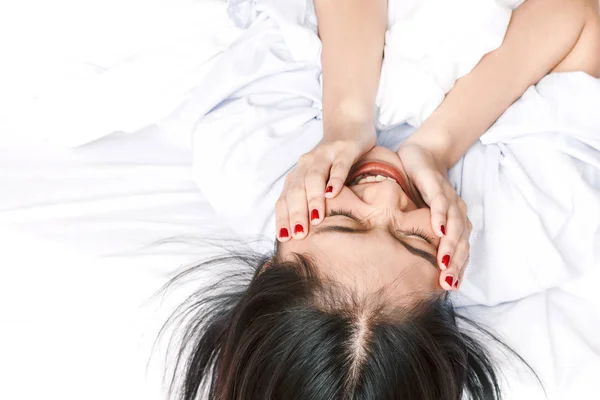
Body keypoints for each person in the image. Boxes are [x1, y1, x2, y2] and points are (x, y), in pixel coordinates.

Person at [162, 0, 600, 399]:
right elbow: (578, 15)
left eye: (342, 221)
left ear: (268, 271)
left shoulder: (246, 160)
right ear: (443, 299)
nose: (387, 196)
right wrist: (437, 146)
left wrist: (347, 119)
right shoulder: (527, 236)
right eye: (414, 240)